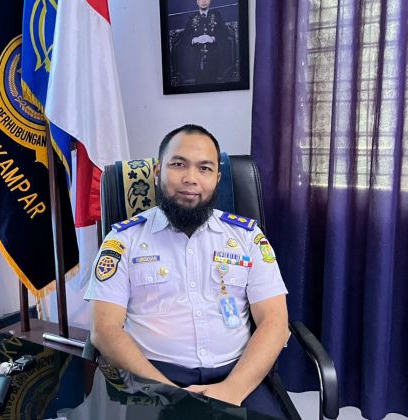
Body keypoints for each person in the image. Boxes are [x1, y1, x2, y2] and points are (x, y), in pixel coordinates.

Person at [85, 124, 289, 413]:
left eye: (204, 168)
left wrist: (231, 390)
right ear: (157, 172)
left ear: (217, 179)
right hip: (149, 380)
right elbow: (104, 329)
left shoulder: (247, 238)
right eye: (178, 164)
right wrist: (169, 392)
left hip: (238, 377)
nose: (190, 178)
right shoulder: (123, 240)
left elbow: (274, 322)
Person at [177, 0, 231, 84]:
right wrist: (195, 39)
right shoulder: (192, 17)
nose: (204, 1)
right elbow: (185, 36)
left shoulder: (216, 15)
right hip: (196, 61)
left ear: (210, 1)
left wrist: (212, 38)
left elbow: (224, 32)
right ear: (197, 2)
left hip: (214, 60)